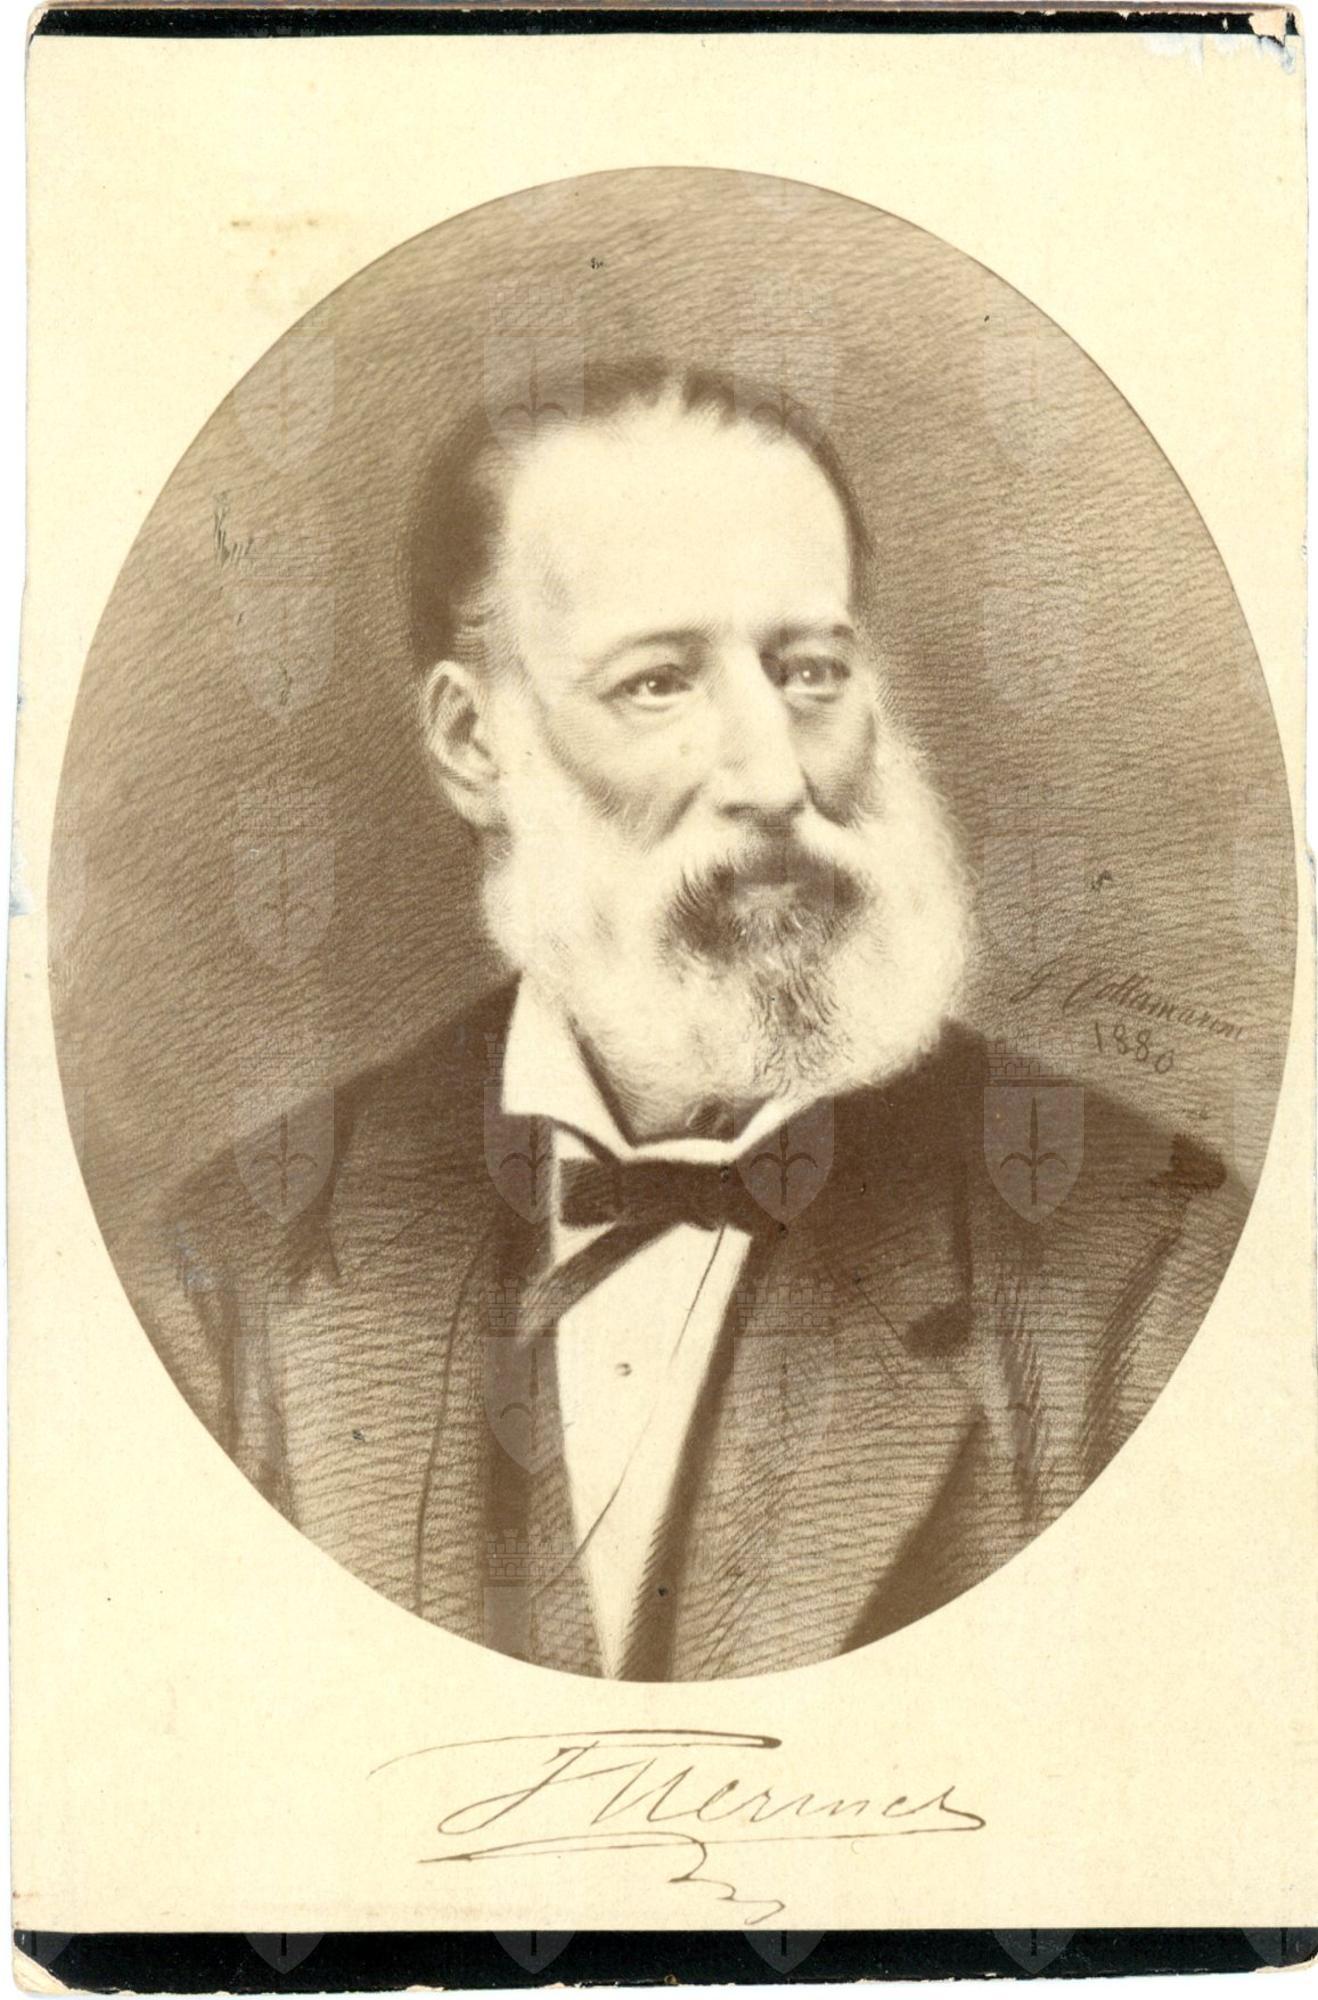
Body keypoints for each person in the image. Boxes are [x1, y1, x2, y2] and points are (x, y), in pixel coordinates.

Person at [139, 359, 1246, 1680]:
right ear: (474, 742)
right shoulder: (234, 1278)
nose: (772, 776)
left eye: (809, 672)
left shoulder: (1145, 1263)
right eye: (657, 684)